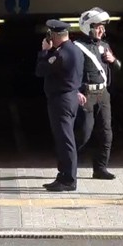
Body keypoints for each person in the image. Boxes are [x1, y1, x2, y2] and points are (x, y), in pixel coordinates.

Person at [35, 19, 85, 192]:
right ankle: (63, 175)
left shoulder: (61, 53)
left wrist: (44, 52)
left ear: (55, 36)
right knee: (63, 140)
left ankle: (69, 179)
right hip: (69, 97)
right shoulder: (75, 50)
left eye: (50, 35)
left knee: (65, 141)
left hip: (61, 100)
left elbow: (41, 70)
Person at [73, 7, 122, 180]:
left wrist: (113, 60)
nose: (102, 30)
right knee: (84, 133)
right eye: (98, 27)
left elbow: (118, 67)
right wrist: (76, 91)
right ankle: (68, 166)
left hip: (103, 93)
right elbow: (71, 73)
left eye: (103, 27)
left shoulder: (104, 46)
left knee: (106, 133)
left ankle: (100, 169)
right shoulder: (77, 47)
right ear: (88, 26)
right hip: (86, 94)